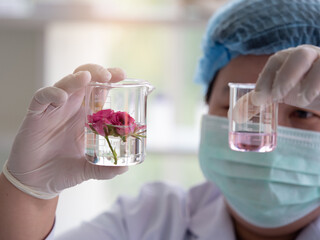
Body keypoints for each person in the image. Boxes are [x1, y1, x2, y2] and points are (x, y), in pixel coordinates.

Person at [1, 0, 320, 239]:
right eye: (246, 107)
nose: (266, 134)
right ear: (206, 108)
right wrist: (29, 194)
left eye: (304, 113)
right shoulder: (150, 220)